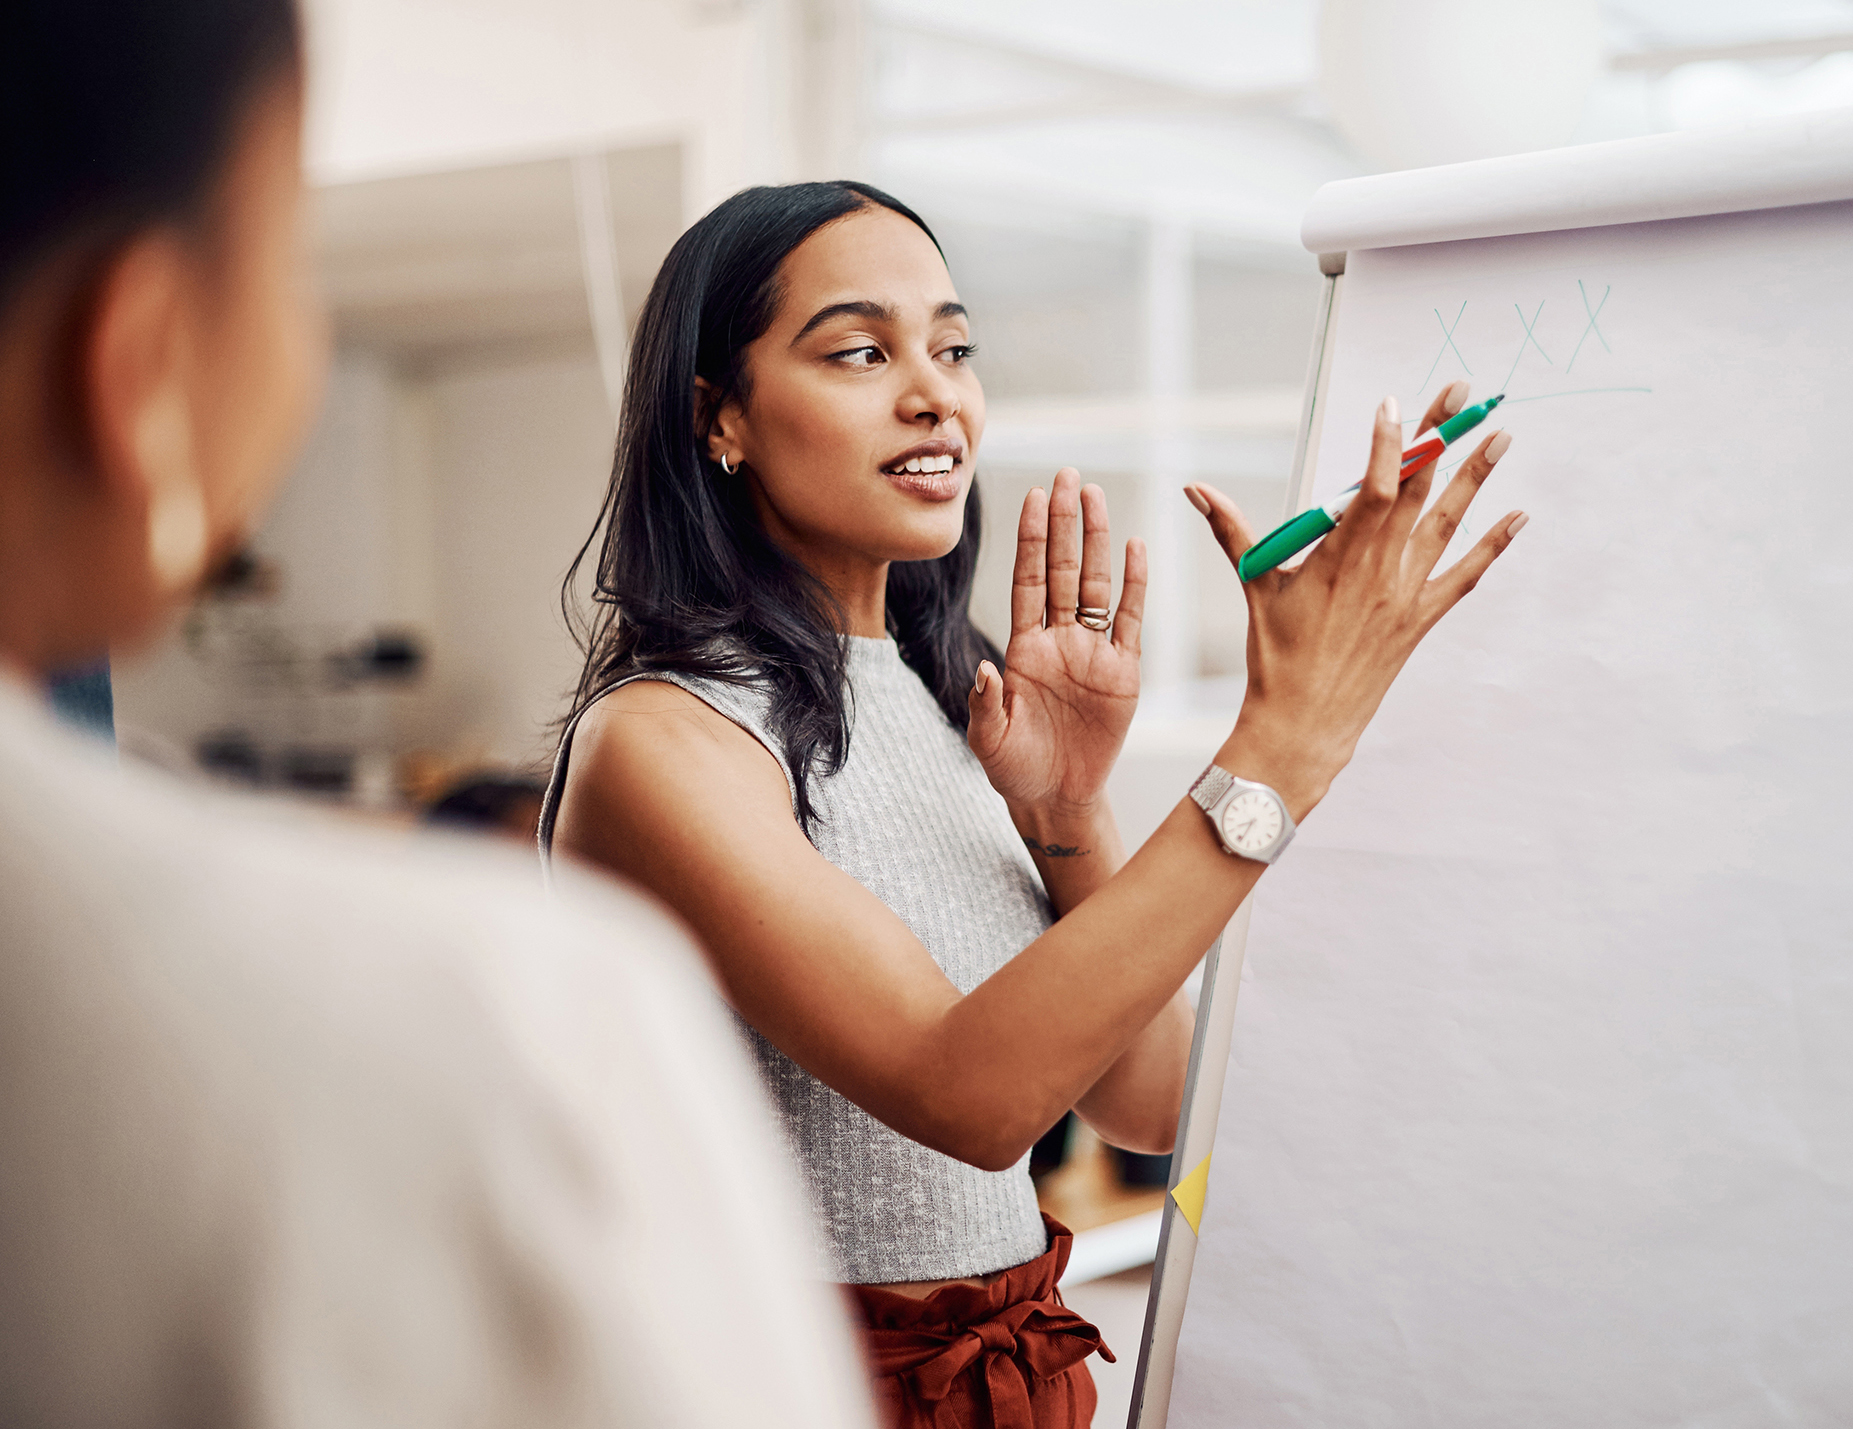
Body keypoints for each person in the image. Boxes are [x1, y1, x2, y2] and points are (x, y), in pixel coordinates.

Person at [0, 4, 873, 1425]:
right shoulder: (511, 1014)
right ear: (138, 357)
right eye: (288, 261)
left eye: (950, 347)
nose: (932, 403)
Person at [541, 179, 1526, 1426]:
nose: (933, 391)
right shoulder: (663, 738)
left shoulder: (953, 700)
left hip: (1010, 1377)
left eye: (952, 347)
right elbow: (967, 1098)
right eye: (859, 350)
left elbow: (1148, 1097)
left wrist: (1068, 817)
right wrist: (1277, 746)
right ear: (718, 416)